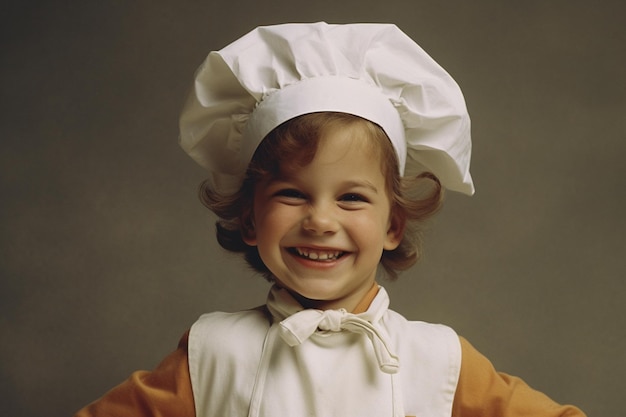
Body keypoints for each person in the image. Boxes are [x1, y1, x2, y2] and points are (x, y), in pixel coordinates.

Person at [74, 22, 586, 416]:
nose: (320, 220)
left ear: (393, 226)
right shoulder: (213, 354)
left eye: (352, 199)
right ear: (250, 217)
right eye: (292, 193)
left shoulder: (438, 361)